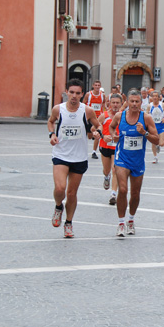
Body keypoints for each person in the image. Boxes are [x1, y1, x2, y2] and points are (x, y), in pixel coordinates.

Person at [48, 79, 103, 238]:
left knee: (71, 194)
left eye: (78, 93)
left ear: (82, 95)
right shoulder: (58, 109)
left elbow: (97, 125)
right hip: (61, 154)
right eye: (71, 92)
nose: (74, 96)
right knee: (60, 189)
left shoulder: (87, 111)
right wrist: (52, 134)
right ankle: (59, 207)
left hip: (79, 157)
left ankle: (69, 223)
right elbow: (51, 122)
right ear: (67, 92)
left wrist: (98, 132)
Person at [109, 90, 159, 237]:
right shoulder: (120, 116)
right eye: (132, 101)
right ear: (127, 102)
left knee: (135, 193)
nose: (135, 104)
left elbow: (157, 140)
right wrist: (113, 135)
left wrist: (144, 132)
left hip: (138, 161)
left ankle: (131, 219)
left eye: (137, 101)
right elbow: (112, 126)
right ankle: (120, 222)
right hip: (122, 159)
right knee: (123, 190)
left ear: (141, 103)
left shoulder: (146, 118)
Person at [98, 93, 123, 205]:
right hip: (105, 145)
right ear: (109, 103)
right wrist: (102, 135)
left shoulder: (123, 116)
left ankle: (113, 193)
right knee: (107, 170)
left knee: (115, 169)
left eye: (117, 103)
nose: (115, 105)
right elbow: (95, 127)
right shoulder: (104, 115)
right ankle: (106, 176)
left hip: (117, 147)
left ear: (121, 104)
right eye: (113, 102)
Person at [85, 80, 107, 159]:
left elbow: (104, 104)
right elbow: (84, 103)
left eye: (98, 85)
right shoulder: (89, 94)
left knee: (98, 134)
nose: (97, 87)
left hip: (98, 117)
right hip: (90, 117)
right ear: (93, 86)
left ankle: (94, 152)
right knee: (89, 136)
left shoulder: (102, 95)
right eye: (96, 85)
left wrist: (105, 112)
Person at [147, 90, 164, 164]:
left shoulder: (162, 105)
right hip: (153, 125)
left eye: (156, 96)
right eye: (154, 96)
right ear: (152, 97)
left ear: (159, 97)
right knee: (153, 141)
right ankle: (155, 157)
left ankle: (158, 145)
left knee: (162, 143)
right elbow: (146, 115)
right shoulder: (149, 105)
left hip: (161, 125)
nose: (155, 97)